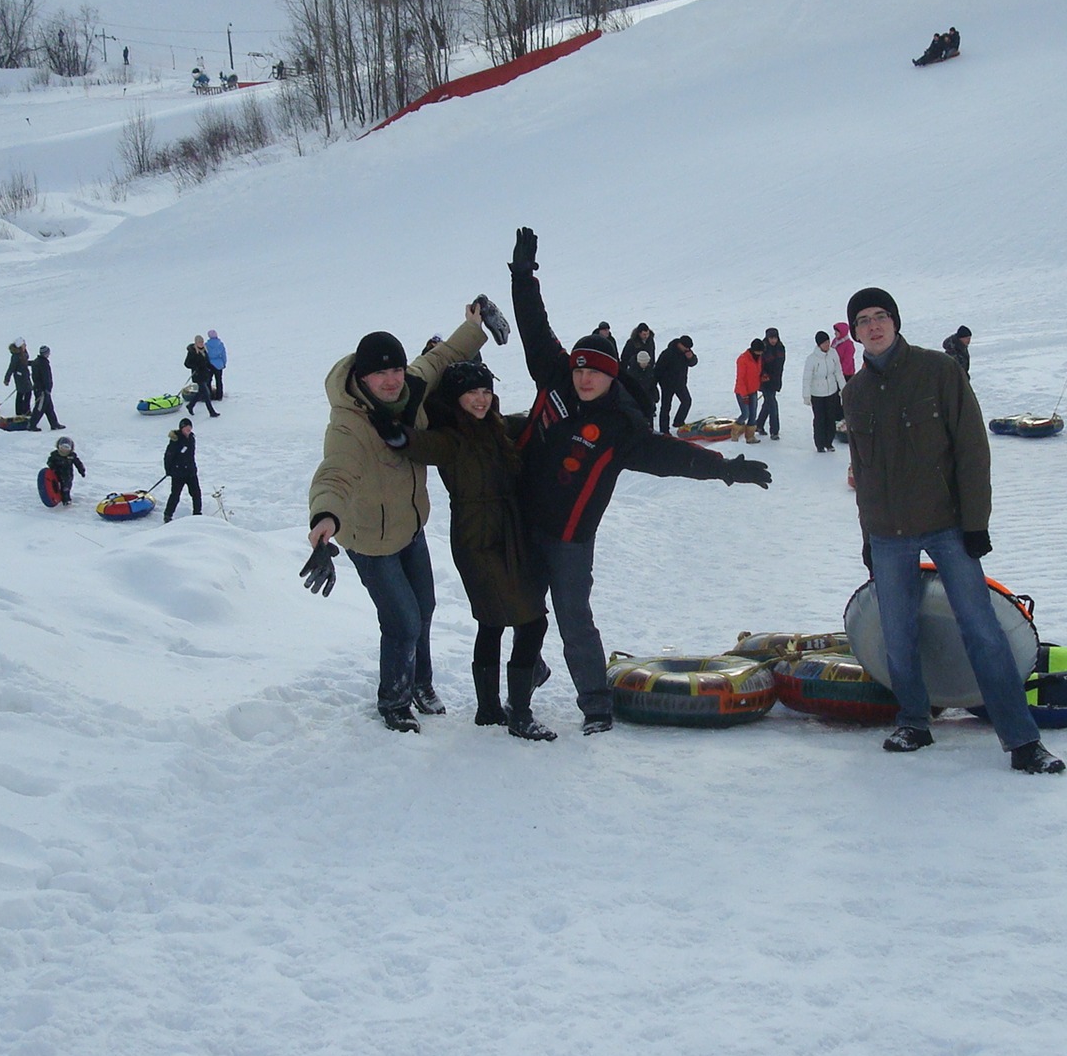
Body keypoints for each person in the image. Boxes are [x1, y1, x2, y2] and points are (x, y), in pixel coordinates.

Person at [508, 227, 770, 735]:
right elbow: (532, 323)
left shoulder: (619, 429)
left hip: (569, 540)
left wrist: (725, 471)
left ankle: (596, 703)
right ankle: (529, 674)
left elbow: (671, 455)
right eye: (581, 370)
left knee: (573, 620)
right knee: (520, 610)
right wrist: (523, 273)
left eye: (596, 374)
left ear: (611, 377)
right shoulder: (554, 374)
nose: (585, 379)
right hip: (524, 522)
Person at [842, 287, 1063, 772]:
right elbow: (863, 472)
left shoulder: (939, 371)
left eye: (881, 316)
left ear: (896, 322)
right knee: (898, 634)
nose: (874, 325)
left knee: (982, 631)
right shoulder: (854, 393)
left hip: (946, 526)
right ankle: (914, 722)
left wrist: (975, 524)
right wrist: (867, 537)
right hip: (887, 533)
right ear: (855, 332)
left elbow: (971, 449)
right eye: (863, 320)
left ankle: (1023, 741)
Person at [306, 305, 489, 732]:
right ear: (362, 378)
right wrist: (324, 518)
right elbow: (335, 472)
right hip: (368, 538)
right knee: (402, 621)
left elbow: (441, 357)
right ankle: (393, 700)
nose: (390, 380)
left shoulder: (411, 387)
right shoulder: (348, 424)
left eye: (396, 370)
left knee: (424, 608)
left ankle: (421, 683)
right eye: (379, 373)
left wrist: (474, 326)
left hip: (409, 528)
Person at [397, 360, 555, 741]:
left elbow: (533, 422)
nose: (481, 399)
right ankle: (519, 712)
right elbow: (416, 443)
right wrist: (397, 433)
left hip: (511, 532)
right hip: (478, 537)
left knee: (494, 621)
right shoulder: (450, 437)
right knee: (531, 621)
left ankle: (488, 710)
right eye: (472, 393)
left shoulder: (497, 427)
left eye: (486, 391)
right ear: (456, 398)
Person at [803, 330, 844, 452]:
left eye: (828, 341)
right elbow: (806, 378)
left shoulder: (833, 354)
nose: (827, 344)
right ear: (819, 344)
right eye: (824, 343)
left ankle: (829, 442)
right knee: (820, 419)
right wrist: (806, 396)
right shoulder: (811, 359)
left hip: (831, 391)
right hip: (817, 394)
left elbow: (838, 372)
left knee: (831, 418)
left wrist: (843, 388)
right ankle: (820, 444)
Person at [654, 334, 696, 433]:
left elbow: (693, 363)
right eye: (686, 347)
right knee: (666, 407)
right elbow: (658, 370)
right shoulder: (667, 353)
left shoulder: (687, 352)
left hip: (680, 384)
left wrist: (691, 358)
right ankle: (664, 430)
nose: (687, 349)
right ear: (680, 344)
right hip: (667, 385)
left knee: (687, 401)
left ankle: (679, 422)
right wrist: (656, 384)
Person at [163, 418, 201, 521]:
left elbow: (191, 455)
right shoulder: (175, 440)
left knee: (196, 493)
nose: (188, 430)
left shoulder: (192, 438)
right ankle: (168, 514)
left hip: (191, 472)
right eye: (186, 429)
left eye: (190, 428)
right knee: (175, 495)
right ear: (181, 428)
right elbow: (168, 456)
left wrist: (193, 467)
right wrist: (169, 470)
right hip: (178, 473)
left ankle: (197, 513)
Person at [620, 322, 658, 417]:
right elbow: (625, 357)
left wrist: (651, 365)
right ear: (639, 333)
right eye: (644, 334)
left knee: (649, 388)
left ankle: (651, 408)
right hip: (635, 370)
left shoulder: (650, 340)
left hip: (648, 369)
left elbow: (652, 353)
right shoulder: (632, 342)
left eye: (647, 334)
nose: (646, 336)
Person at [734, 338, 765, 444]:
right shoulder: (743, 359)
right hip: (742, 392)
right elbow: (740, 379)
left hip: (753, 390)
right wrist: (744, 395)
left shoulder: (759, 358)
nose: (761, 353)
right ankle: (735, 432)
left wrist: (761, 379)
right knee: (745, 414)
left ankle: (750, 437)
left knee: (753, 414)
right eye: (759, 351)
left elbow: (756, 374)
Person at [758, 327, 787, 439]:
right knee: (773, 405)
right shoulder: (762, 349)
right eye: (771, 338)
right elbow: (759, 365)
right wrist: (763, 374)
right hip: (765, 381)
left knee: (768, 404)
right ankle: (774, 431)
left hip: (775, 380)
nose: (773, 340)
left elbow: (780, 365)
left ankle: (759, 425)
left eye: (775, 338)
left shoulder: (781, 348)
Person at [29, 344, 63, 429]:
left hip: (41, 389)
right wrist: (47, 389)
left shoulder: (38, 361)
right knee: (39, 408)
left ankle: (54, 424)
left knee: (49, 408)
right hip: (42, 390)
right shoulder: (43, 363)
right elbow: (46, 377)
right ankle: (32, 425)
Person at [184, 336, 219, 417]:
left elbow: (207, 363)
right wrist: (195, 366)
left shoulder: (204, 350)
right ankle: (211, 412)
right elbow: (187, 363)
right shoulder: (192, 352)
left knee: (200, 392)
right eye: (199, 342)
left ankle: (190, 405)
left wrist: (214, 369)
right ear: (196, 343)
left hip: (204, 375)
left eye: (202, 342)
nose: (201, 344)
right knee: (207, 394)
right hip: (198, 376)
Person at [45, 437, 84, 505]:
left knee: (66, 486)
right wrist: (52, 466)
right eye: (62, 447)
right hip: (56, 473)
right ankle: (56, 495)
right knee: (56, 484)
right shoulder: (55, 455)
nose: (64, 450)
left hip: (67, 475)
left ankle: (66, 499)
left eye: (67, 448)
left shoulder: (71, 456)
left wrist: (81, 471)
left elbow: (78, 463)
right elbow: (49, 461)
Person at [3, 339, 32, 416]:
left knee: (25, 393)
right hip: (20, 378)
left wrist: (34, 363)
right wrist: (7, 379)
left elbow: (24, 363)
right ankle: (23, 411)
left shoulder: (23, 353)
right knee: (24, 393)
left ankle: (24, 410)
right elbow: (11, 368)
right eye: (24, 344)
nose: (25, 345)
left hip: (25, 376)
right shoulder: (16, 356)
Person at [204, 329, 227, 400]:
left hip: (210, 365)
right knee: (219, 381)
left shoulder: (206, 345)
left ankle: (209, 395)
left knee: (208, 381)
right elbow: (224, 355)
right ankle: (219, 396)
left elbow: (205, 355)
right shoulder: (220, 344)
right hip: (219, 365)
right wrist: (224, 363)